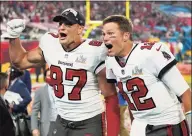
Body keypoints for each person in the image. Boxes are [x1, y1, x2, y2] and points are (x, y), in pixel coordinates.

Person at [3, 8, 120, 136]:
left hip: (88, 122)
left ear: (80, 29)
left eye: (68, 24)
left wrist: (113, 132)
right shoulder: (50, 44)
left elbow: (110, 95)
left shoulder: (95, 51)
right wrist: (14, 37)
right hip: (61, 121)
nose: (62, 28)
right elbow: (20, 61)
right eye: (60, 24)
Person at [102, 15, 192, 136]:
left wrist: (191, 128)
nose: (105, 38)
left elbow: (185, 92)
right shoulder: (111, 61)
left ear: (125, 35)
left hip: (168, 124)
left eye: (111, 33)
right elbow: (131, 98)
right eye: (104, 34)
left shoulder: (150, 53)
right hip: (140, 126)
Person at [31, 69, 57, 136]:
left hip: (60, 126)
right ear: (45, 77)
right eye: (49, 75)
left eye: (53, 75)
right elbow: (35, 111)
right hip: (46, 126)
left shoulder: (63, 91)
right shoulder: (40, 91)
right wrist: (34, 128)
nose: (51, 77)